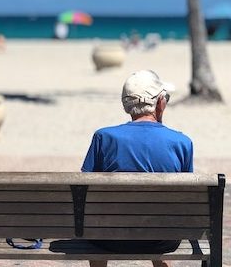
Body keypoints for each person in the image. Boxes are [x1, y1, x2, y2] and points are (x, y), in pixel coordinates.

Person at [81, 70, 193, 267]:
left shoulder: (104, 138)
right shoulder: (182, 143)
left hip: (108, 239)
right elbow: (186, 199)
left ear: (126, 106)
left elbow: (85, 191)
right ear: (160, 102)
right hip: (162, 241)